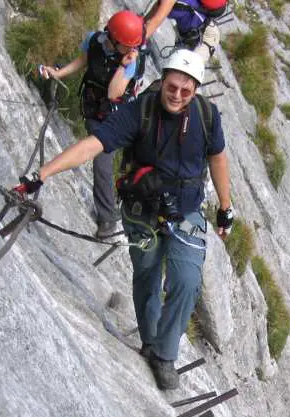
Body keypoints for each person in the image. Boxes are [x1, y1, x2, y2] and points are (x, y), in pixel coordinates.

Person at [15, 49, 234, 390]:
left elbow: (217, 158)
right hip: (141, 209)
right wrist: (41, 174)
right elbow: (94, 144)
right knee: (147, 273)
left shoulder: (207, 116)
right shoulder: (140, 111)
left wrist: (225, 205)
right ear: (163, 82)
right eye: (171, 88)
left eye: (185, 91)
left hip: (187, 210)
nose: (176, 96)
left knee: (187, 280)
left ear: (195, 91)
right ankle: (150, 339)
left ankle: (164, 354)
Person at [40, 10, 145, 239]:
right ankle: (110, 212)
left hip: (114, 117)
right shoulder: (94, 40)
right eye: (129, 46)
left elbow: (114, 92)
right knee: (100, 160)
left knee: (102, 163)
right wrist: (58, 73)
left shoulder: (130, 62)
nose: (132, 50)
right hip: (92, 108)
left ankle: (108, 218)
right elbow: (81, 62)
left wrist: (122, 65)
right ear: (115, 39)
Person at [144, 0, 228, 65]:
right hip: (201, 24)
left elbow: (155, 20)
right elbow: (157, 9)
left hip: (206, 37)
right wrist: (143, 22)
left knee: (184, 71)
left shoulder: (176, 3)